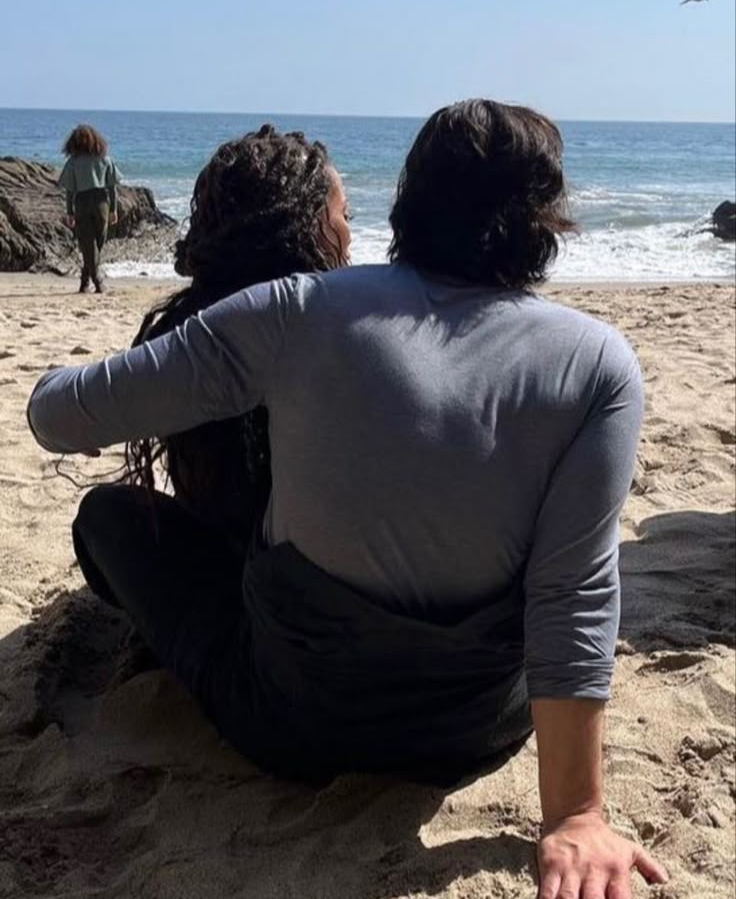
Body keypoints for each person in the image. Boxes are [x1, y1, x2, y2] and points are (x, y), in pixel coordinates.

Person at [28, 99, 668, 898]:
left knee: (108, 518)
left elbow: (56, 418)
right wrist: (575, 814)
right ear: (545, 217)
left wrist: (76, 379)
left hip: (290, 726)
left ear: (409, 200)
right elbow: (575, 590)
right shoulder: (599, 363)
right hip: (472, 733)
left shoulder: (298, 310)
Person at [123, 124, 351, 547]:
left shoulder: (189, 331)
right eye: (344, 215)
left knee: (106, 517)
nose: (350, 234)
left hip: (223, 564)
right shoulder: (342, 334)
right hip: (311, 575)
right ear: (302, 227)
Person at [59, 125, 121, 293]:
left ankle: (85, 280)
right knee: (96, 244)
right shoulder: (105, 159)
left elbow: (69, 191)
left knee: (88, 245)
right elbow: (112, 187)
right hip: (101, 202)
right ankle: (97, 281)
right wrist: (113, 209)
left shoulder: (73, 162)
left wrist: (70, 212)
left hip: (82, 203)